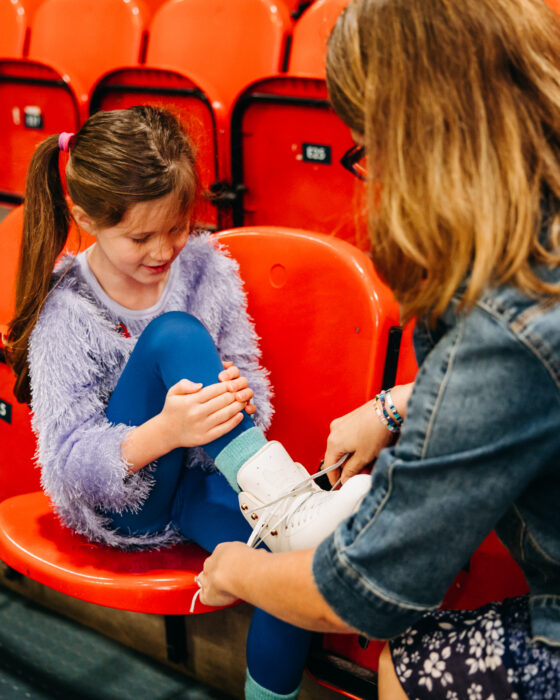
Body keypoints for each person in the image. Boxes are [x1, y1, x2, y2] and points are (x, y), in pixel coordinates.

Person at [197, 0, 560, 698]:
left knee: (409, 660)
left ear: (417, 139)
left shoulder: (507, 320)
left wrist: (236, 571)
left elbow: (367, 589)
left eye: (368, 144)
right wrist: (397, 406)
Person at [5, 105, 372, 700]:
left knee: (290, 556)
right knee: (173, 334)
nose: (164, 250)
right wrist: (167, 431)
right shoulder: (66, 307)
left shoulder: (205, 267)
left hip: (205, 478)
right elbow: (68, 465)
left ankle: (288, 530)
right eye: (141, 237)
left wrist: (236, 392)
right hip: (129, 499)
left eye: (177, 228)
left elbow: (248, 374)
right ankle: (289, 501)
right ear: (85, 218)